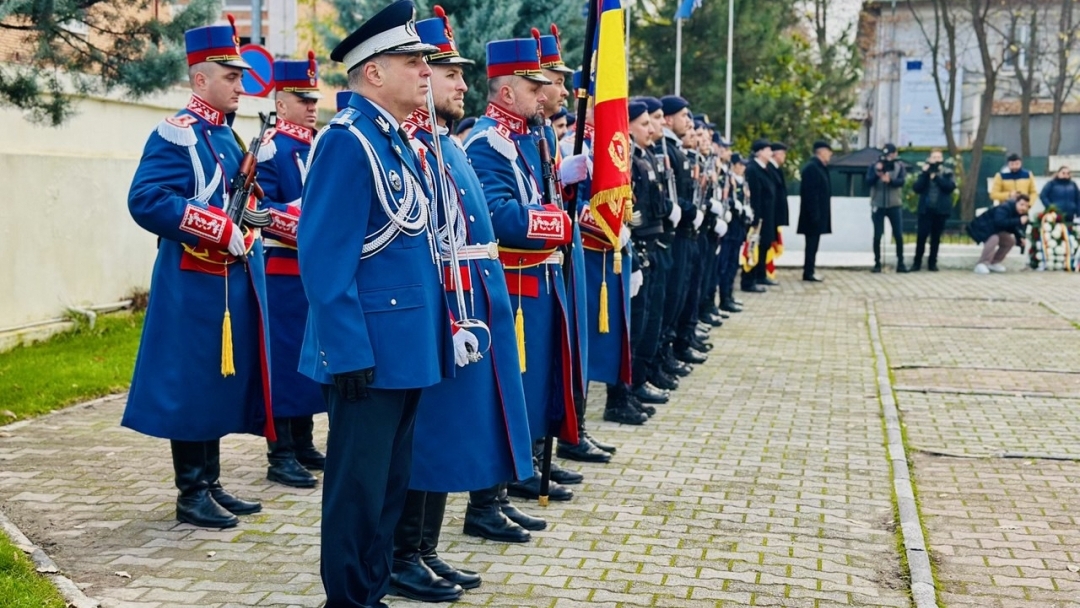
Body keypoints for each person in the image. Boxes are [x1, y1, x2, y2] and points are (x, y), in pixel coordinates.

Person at [297, 3, 467, 606]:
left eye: (426, 61)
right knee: (358, 491)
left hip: (406, 348)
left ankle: (370, 592)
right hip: (366, 352)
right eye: (412, 60)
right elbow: (324, 260)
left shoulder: (392, 141)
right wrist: (344, 350)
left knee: (389, 489)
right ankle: (347, 599)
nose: (426, 70)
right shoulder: (347, 143)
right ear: (373, 73)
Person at [386, 10, 538, 601]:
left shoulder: (444, 144)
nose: (459, 86)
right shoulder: (419, 145)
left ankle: (424, 549)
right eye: (450, 74)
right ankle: (406, 554)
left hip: (468, 297)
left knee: (446, 432)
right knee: (428, 435)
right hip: (442, 303)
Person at [123, 17, 271, 530]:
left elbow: (244, 198)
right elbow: (145, 200)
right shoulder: (177, 133)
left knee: (214, 382)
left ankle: (209, 481)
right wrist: (212, 225)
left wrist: (250, 219)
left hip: (226, 280)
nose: (240, 85)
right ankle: (191, 492)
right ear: (200, 80)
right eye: (230, 77)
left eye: (240, 77)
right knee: (190, 385)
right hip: (192, 278)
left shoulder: (228, 138)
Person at [463, 35, 580, 504]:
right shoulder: (488, 142)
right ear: (508, 93)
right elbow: (500, 214)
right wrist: (559, 224)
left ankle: (522, 467)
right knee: (508, 389)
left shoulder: (532, 137)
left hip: (539, 275)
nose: (546, 93)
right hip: (511, 282)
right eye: (535, 88)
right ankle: (493, 494)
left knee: (536, 381)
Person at [256, 52, 326, 490]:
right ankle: (279, 452)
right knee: (283, 362)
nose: (312, 106)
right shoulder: (271, 147)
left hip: (312, 271)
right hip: (282, 268)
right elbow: (255, 207)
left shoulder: (317, 145)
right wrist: (295, 218)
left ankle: (302, 440)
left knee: (309, 359)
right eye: (303, 99)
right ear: (282, 103)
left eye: (315, 98)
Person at [626, 97, 671, 410]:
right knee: (635, 326)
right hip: (637, 244)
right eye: (644, 122)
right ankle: (625, 392)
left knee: (650, 320)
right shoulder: (628, 158)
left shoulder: (647, 156)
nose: (653, 127)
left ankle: (639, 380)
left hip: (653, 243)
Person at [910, 148, 956, 272]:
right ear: (929, 159)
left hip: (940, 210)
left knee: (936, 238)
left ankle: (932, 263)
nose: (936, 160)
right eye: (934, 157)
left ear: (942, 159)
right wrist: (925, 174)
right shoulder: (924, 172)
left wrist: (936, 177)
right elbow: (917, 188)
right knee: (921, 236)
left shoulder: (947, 172)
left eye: (938, 157)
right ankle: (917, 263)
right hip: (925, 210)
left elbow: (950, 187)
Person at [866, 143, 908, 273]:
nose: (888, 158)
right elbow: (868, 181)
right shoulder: (874, 166)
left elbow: (901, 182)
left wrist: (890, 181)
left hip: (894, 204)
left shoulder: (899, 166)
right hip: (878, 203)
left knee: (898, 234)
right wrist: (877, 173)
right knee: (878, 234)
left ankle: (900, 262)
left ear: (895, 154)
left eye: (890, 155)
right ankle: (877, 262)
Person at [741, 139, 777, 292]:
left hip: (767, 216)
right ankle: (749, 280)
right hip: (758, 217)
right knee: (753, 248)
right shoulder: (753, 169)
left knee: (763, 246)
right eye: (768, 150)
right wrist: (755, 218)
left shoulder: (765, 169)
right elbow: (754, 195)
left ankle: (759, 275)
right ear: (760, 152)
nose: (771, 153)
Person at [968, 194, 1030, 274]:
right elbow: (999, 222)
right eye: (1021, 204)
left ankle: (994, 262)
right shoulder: (1005, 208)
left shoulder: (1020, 213)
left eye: (1026, 206)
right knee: (994, 239)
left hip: (995, 230)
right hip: (982, 228)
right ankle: (982, 263)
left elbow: (1013, 228)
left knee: (1010, 241)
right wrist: (1018, 221)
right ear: (1016, 203)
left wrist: (1019, 238)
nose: (1023, 208)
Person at [797, 140, 833, 282]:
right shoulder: (812, 168)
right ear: (821, 152)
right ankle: (808, 271)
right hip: (812, 215)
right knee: (811, 244)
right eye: (828, 152)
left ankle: (810, 269)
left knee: (814, 244)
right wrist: (814, 214)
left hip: (818, 214)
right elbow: (810, 194)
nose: (830, 155)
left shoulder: (821, 168)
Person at [718, 152, 749, 309]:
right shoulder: (729, 180)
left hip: (738, 230)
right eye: (740, 165)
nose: (742, 168)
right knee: (725, 266)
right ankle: (724, 298)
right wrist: (733, 205)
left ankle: (729, 295)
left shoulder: (741, 182)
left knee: (733, 265)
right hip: (729, 230)